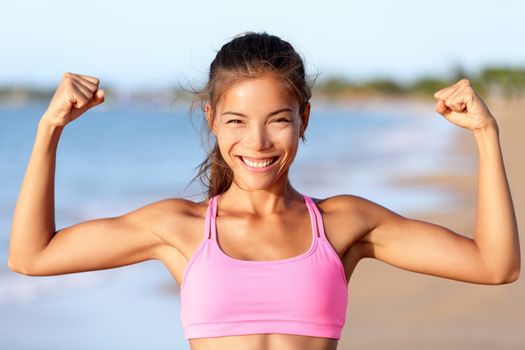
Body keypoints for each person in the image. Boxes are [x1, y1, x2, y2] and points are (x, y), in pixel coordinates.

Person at [7, 32, 521, 350]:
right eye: (235, 121)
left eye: (278, 120)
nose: (256, 143)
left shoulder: (344, 223)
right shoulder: (179, 229)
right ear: (211, 120)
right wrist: (49, 129)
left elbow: (495, 266)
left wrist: (485, 135)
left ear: (304, 120)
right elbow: (32, 256)